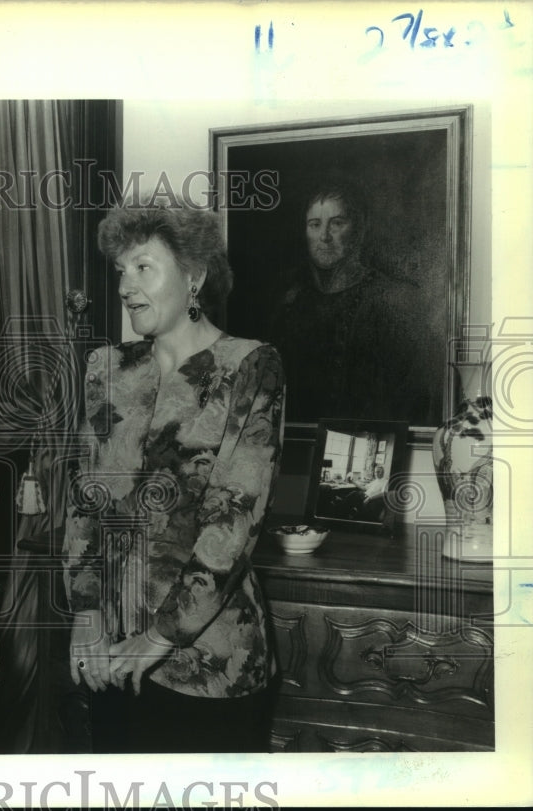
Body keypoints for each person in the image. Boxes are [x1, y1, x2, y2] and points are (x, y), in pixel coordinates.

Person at [63, 197, 286, 753]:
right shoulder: (106, 369)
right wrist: (85, 613)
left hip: (207, 665)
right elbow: (84, 502)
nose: (124, 286)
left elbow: (231, 527)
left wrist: (157, 639)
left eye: (143, 267)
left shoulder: (250, 366)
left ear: (195, 277)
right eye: (121, 270)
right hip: (112, 654)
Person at [268, 178, 434, 424]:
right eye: (315, 224)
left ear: (360, 228)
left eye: (337, 223)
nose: (324, 236)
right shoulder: (290, 304)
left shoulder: (394, 300)